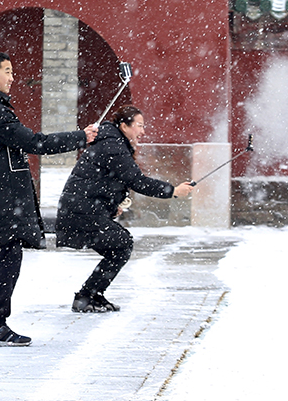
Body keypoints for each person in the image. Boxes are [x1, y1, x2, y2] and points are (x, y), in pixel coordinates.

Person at [0, 51, 98, 347]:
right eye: (7, 71)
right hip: (2, 200)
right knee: (7, 258)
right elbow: (35, 143)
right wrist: (81, 136)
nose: (12, 77)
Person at [55, 106, 193, 313]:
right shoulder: (113, 146)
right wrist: (173, 191)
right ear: (124, 126)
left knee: (119, 247)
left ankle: (91, 294)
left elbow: (104, 181)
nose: (142, 131)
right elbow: (137, 181)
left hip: (81, 210)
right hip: (81, 212)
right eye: (139, 126)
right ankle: (87, 295)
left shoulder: (112, 142)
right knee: (122, 244)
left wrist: (113, 204)